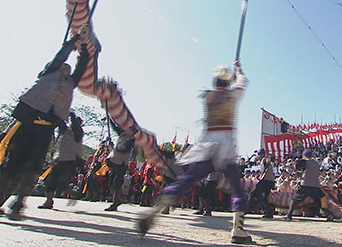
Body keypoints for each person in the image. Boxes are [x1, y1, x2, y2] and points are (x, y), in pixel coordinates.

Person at [138, 61, 252, 244]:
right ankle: (237, 230)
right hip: (226, 146)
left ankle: (157, 209)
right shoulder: (233, 95)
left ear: (216, 83)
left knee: (189, 178)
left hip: (207, 144)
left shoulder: (209, 97)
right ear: (228, 83)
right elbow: (243, 81)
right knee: (236, 187)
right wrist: (238, 70)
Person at [0, 30, 89, 222]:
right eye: (62, 66)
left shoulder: (70, 83)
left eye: (68, 67)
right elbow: (60, 57)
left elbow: (82, 66)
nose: (66, 67)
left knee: (32, 169)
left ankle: (19, 203)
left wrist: (84, 48)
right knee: (10, 167)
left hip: (45, 130)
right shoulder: (49, 73)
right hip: (26, 126)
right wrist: (71, 43)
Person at [37, 112, 85, 209]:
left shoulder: (78, 134)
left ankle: (72, 192)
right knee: (48, 182)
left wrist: (72, 117)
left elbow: (74, 126)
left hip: (69, 161)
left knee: (61, 183)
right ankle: (48, 201)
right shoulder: (66, 131)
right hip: (58, 160)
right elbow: (60, 122)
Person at [283, 150, 327, 221]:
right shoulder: (316, 163)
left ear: (304, 155)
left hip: (306, 185)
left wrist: (288, 164)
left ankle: (289, 215)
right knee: (320, 201)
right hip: (316, 185)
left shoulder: (305, 161)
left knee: (294, 200)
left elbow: (296, 163)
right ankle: (329, 214)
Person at [104, 122, 136, 212]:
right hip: (115, 161)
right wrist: (110, 118)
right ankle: (117, 200)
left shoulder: (131, 140)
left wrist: (112, 147)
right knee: (110, 182)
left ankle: (115, 203)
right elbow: (115, 127)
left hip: (121, 164)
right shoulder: (122, 135)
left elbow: (123, 148)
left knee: (117, 183)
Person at [247, 148, 276, 218]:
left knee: (252, 194)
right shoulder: (262, 161)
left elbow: (267, 160)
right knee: (264, 197)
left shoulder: (264, 159)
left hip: (265, 181)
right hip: (270, 181)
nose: (257, 156)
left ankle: (244, 209)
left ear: (261, 154)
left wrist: (269, 159)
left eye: (258, 154)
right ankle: (269, 212)